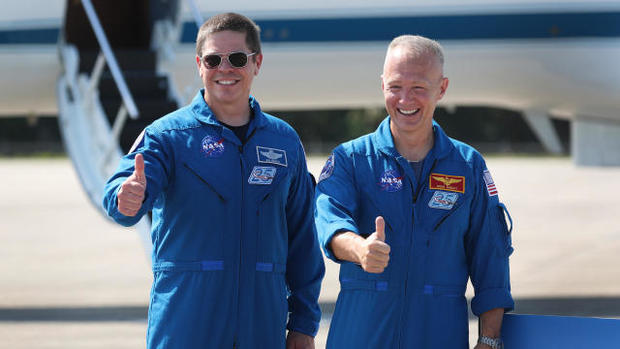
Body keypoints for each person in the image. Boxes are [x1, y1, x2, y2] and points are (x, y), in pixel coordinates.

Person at [102, 12, 324, 349]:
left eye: (237, 58)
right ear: (199, 64)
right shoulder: (168, 136)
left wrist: (304, 324)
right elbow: (123, 195)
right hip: (186, 325)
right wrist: (125, 197)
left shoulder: (284, 141)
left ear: (257, 63)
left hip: (261, 327)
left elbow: (303, 241)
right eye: (213, 59)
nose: (225, 68)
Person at [314, 35, 514, 349]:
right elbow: (329, 220)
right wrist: (360, 250)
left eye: (419, 88)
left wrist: (489, 339)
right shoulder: (350, 159)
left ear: (442, 88)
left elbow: (491, 258)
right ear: (382, 85)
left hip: (439, 333)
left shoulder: (468, 166)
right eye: (395, 87)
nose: (405, 100)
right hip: (362, 334)